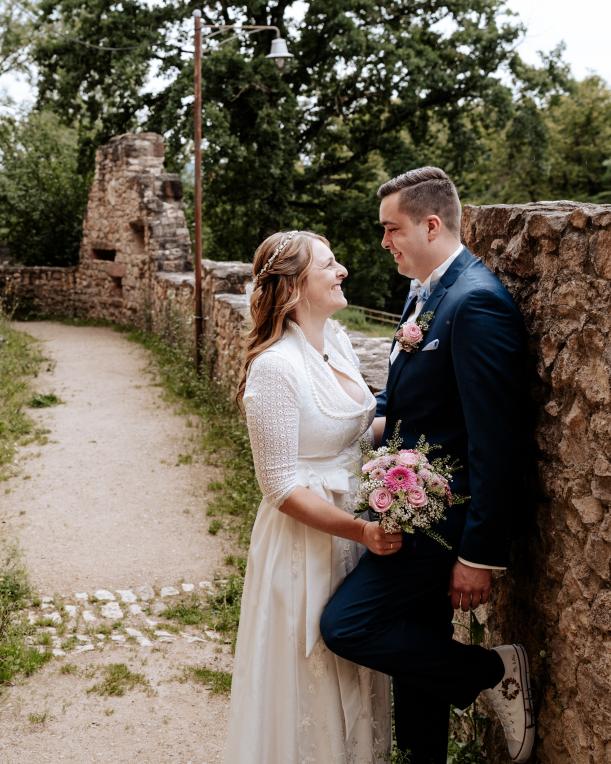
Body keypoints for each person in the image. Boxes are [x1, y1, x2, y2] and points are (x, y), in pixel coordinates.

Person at [321, 167, 535, 763]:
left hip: (446, 524)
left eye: (391, 229)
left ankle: (493, 669)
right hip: (410, 508)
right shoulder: (424, 292)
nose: (384, 242)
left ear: (431, 224)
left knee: (348, 626)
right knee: (417, 663)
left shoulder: (477, 302)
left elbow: (498, 439)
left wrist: (477, 554)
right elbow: (403, 398)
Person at [223, 230, 400, 764]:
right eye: (330, 264)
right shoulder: (274, 368)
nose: (342, 269)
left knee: (353, 659)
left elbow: (353, 430)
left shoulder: (338, 341)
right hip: (305, 543)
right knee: (311, 665)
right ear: (296, 288)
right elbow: (279, 485)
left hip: (354, 526)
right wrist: (362, 531)